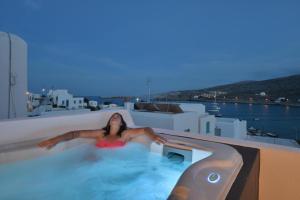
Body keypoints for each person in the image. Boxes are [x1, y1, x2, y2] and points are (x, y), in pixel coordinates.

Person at [38, 112, 167, 149]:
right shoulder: (100, 133)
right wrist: (55, 140)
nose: (114, 117)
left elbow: (145, 129)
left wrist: (153, 136)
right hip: (96, 163)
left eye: (118, 117)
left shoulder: (125, 133)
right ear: (109, 122)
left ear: (121, 122)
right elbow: (75, 134)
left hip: (115, 166)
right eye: (113, 116)